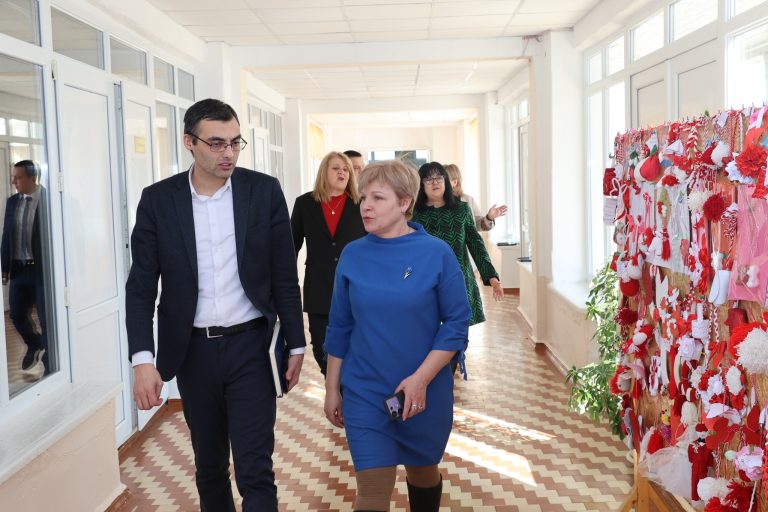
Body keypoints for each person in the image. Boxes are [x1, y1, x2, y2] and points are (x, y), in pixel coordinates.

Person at [126, 98, 306, 512]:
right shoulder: (158, 201)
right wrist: (142, 361)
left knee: (255, 468)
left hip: (252, 348)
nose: (229, 153)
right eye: (217, 143)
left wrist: (296, 343)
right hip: (193, 352)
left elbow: (283, 274)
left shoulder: (263, 192)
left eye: (235, 142)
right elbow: (140, 287)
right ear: (189, 142)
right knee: (209, 467)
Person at [324, 159, 470, 512]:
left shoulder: (437, 253)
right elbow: (340, 326)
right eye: (364, 198)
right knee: (372, 492)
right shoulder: (352, 255)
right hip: (365, 390)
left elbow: (456, 324)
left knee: (423, 472)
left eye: (378, 198)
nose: (366, 206)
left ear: (405, 202)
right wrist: (332, 389)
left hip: (424, 389)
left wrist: (421, 379)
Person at [290, 151, 365, 376]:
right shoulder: (305, 203)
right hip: (319, 290)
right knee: (322, 348)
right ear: (324, 171)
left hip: (356, 289)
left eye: (346, 169)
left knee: (355, 348)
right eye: (336, 168)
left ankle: (347, 391)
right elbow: (291, 246)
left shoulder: (360, 204)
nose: (342, 172)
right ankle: (333, 386)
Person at [413, 162, 504, 337]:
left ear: (446, 181)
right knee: (428, 332)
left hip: (458, 278)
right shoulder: (415, 214)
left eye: (439, 178)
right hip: (426, 280)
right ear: (421, 184)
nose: (435, 182)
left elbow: (475, 243)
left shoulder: (461, 209)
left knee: (457, 333)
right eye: (428, 179)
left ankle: (455, 355)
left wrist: (491, 276)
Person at [1, 160, 48, 376]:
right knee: (17, 315)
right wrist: (4, 266)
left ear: (32, 178)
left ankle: (50, 366)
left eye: (18, 177)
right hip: (19, 270)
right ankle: (35, 343)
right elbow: (6, 236)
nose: (14, 181)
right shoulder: (12, 202)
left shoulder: (48, 200)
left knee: (46, 319)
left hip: (41, 271)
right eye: (13, 177)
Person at [444, 163, 507, 231]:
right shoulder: (436, 201)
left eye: (444, 179)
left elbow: (478, 225)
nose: (438, 182)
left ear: (455, 182)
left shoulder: (468, 200)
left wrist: (489, 218)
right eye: (438, 179)